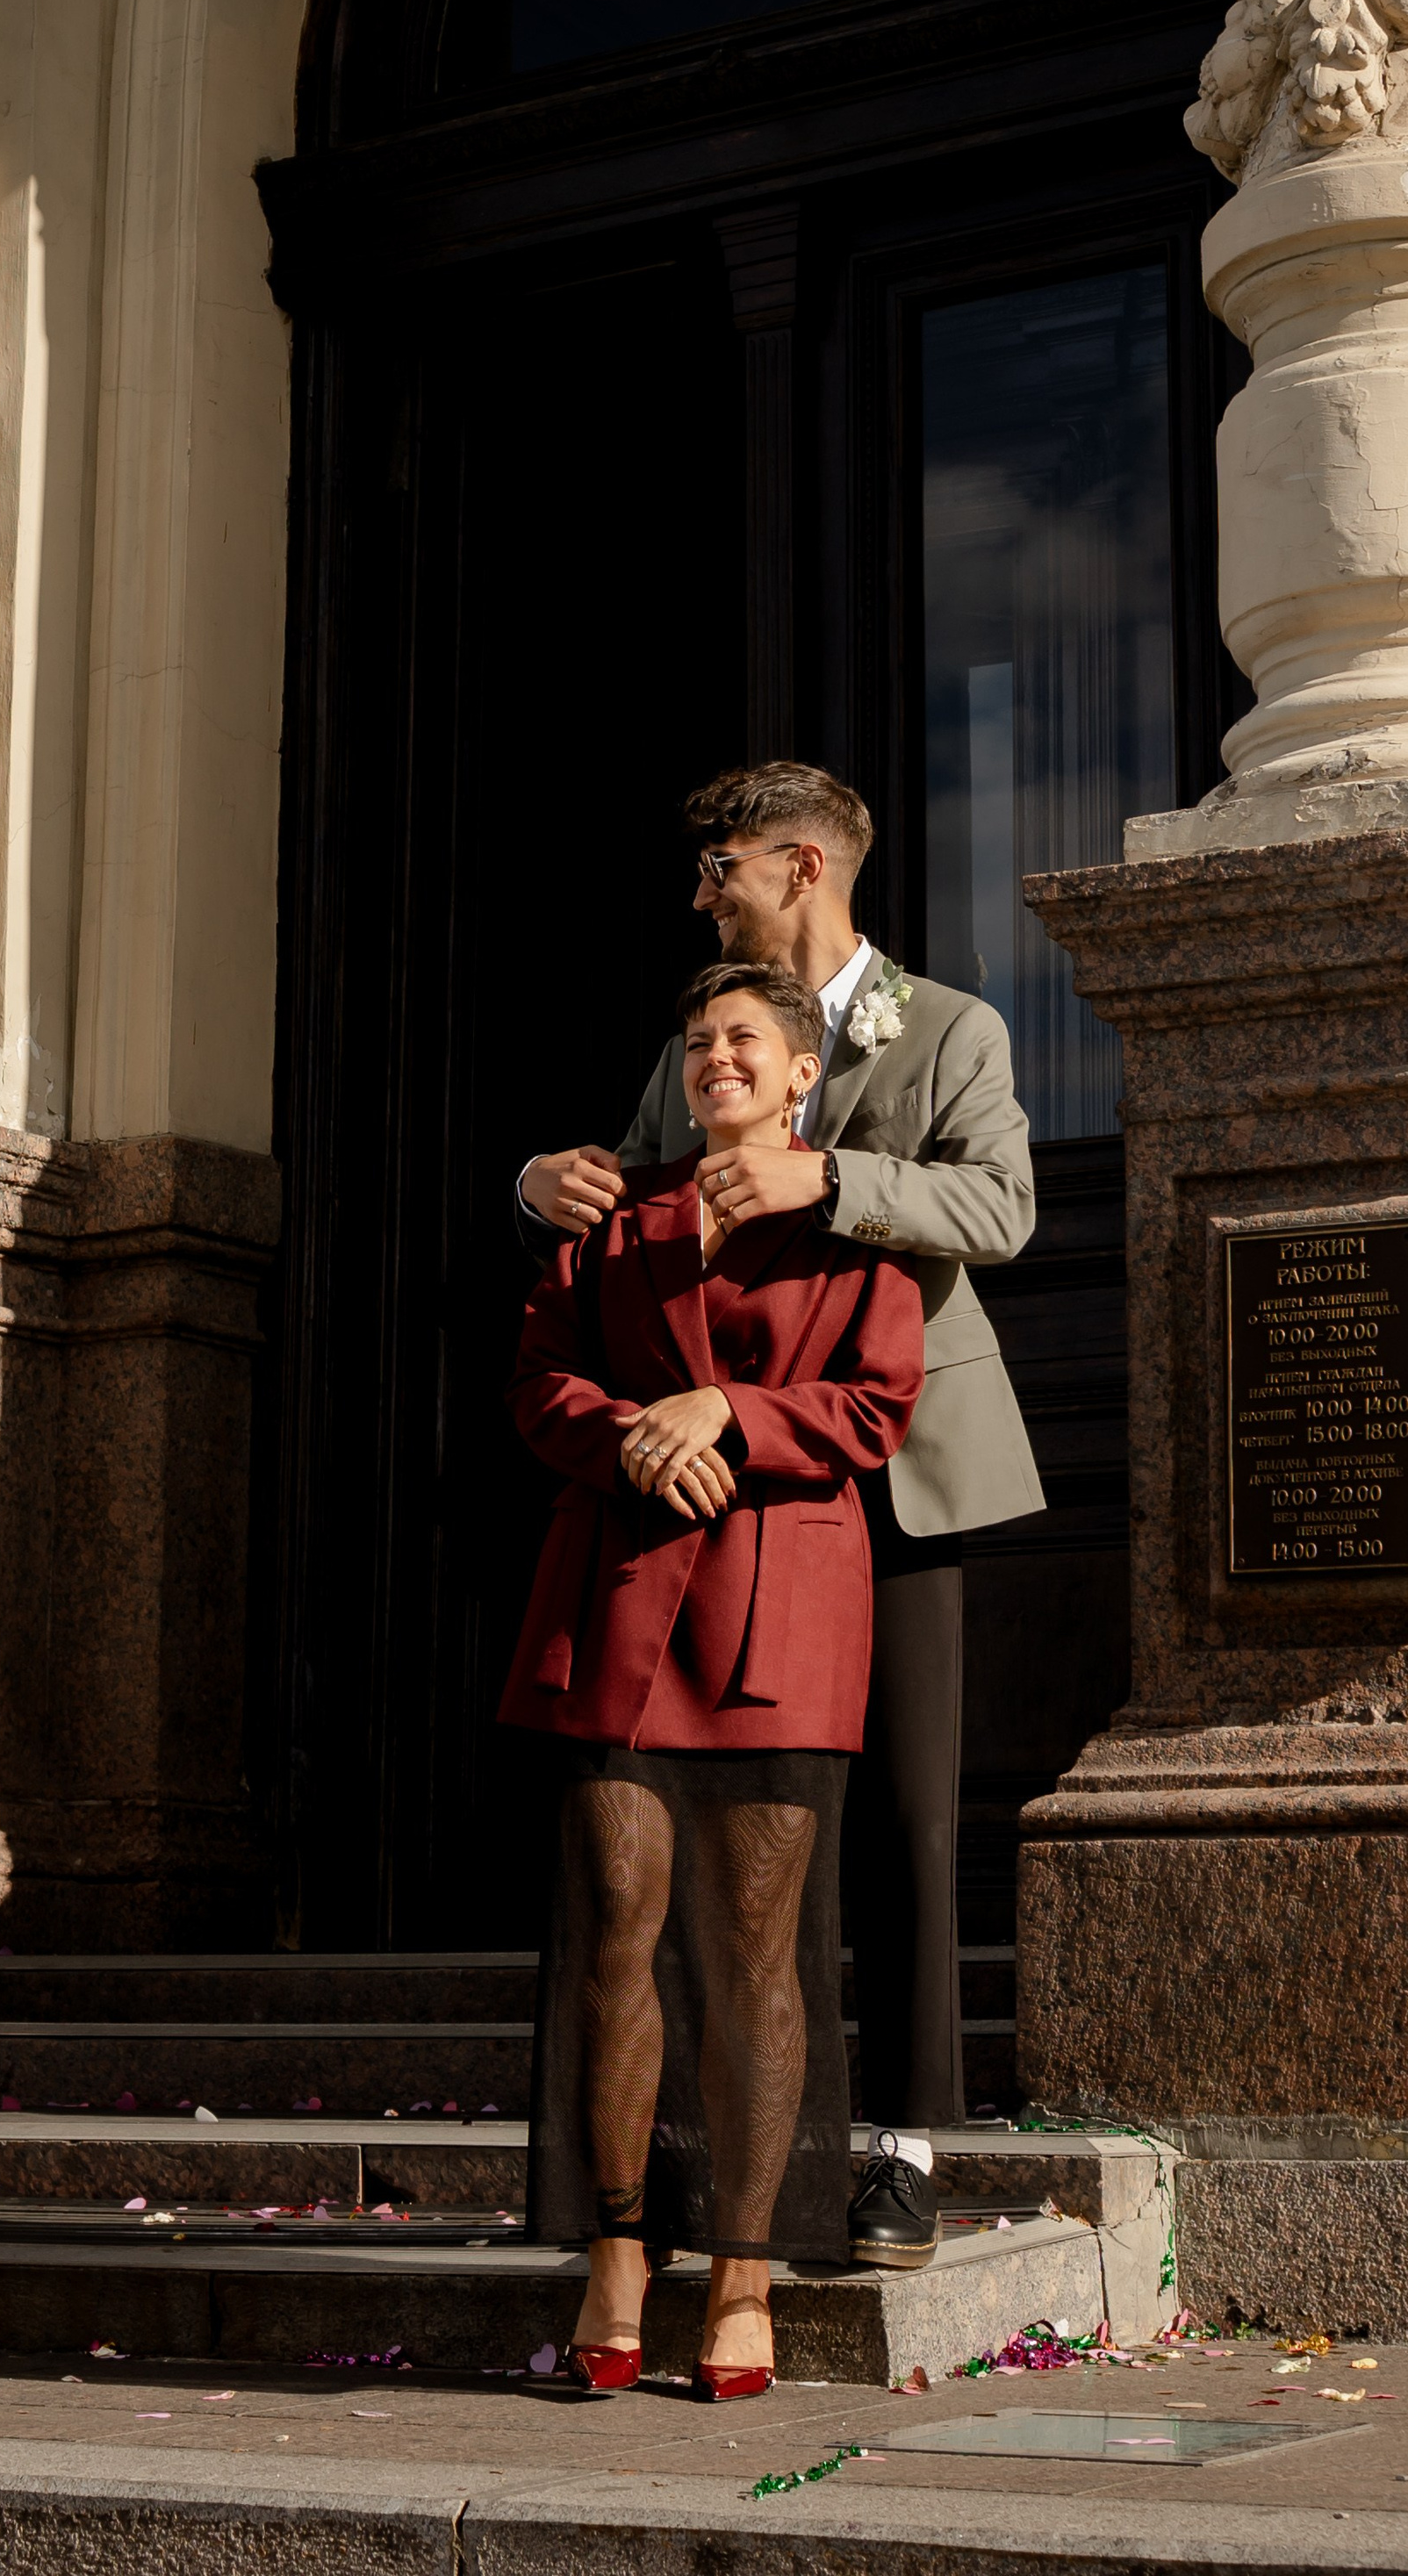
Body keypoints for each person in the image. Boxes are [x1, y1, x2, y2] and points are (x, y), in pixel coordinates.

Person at [520, 762, 1040, 2268]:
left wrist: (833, 1180)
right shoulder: (698, 1035)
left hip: (902, 1464)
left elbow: (1001, 1211)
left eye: (722, 868)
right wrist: (538, 1184)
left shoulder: (954, 1028)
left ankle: (902, 2148)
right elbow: (638, 1200)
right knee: (740, 1826)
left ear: (803, 866)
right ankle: (706, 2150)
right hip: (728, 1492)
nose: (703, 895)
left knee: (908, 1818)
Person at [503, 961, 924, 2400]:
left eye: (744, 1038)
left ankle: (744, 2272)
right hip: (619, 1598)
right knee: (617, 1931)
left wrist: (727, 1414)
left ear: (806, 1070)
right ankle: (618, 2252)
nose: (715, 1059)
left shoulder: (856, 1222)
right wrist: (635, 1437)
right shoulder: (617, 1216)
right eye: (697, 1044)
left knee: (756, 1950)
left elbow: (876, 1405)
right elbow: (539, 1379)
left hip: (779, 1615)